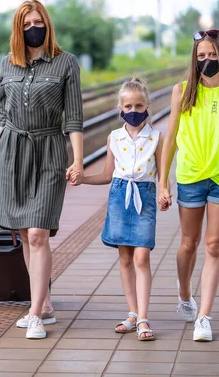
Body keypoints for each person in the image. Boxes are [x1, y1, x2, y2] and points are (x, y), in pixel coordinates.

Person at [0, 0, 84, 340]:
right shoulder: (7, 64)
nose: (33, 29)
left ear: (47, 24)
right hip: (12, 152)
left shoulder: (66, 63)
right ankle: (46, 303)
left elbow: (74, 118)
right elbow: (1, 116)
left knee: (39, 233)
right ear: (18, 29)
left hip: (48, 152)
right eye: (26, 25)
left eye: (38, 22)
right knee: (25, 234)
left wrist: (79, 160)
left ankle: (35, 313)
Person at [158, 29, 219, 342]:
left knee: (214, 246)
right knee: (188, 243)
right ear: (194, 60)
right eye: (201, 57)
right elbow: (169, 137)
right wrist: (162, 181)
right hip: (191, 177)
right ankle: (185, 293)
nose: (206, 61)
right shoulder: (182, 91)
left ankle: (204, 317)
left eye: (211, 56)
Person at [76, 77, 163, 341]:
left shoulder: (158, 137)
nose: (134, 111)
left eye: (139, 106)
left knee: (141, 258)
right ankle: (133, 313)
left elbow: (162, 175)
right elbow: (106, 174)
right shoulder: (113, 138)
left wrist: (166, 193)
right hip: (119, 196)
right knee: (124, 258)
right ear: (120, 108)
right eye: (128, 106)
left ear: (147, 105)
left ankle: (145, 318)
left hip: (144, 197)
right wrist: (82, 178)